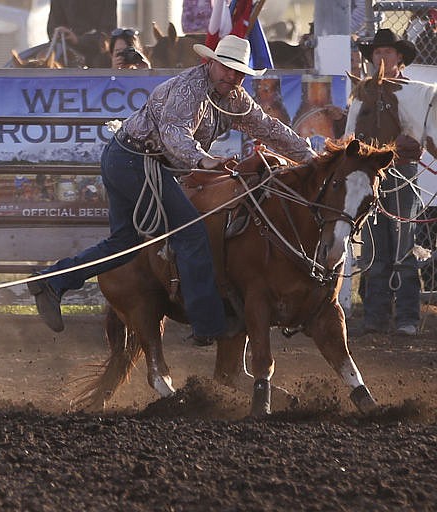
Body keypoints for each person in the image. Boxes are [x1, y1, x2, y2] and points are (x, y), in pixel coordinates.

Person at [27, 35, 316, 343]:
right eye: (227, 69)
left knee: (125, 244)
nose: (232, 76)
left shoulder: (235, 99)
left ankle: (52, 281)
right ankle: (208, 326)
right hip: (135, 161)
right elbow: (173, 133)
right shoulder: (188, 89)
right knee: (191, 231)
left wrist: (310, 157)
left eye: (239, 72)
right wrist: (203, 161)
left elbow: (269, 129)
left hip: (133, 161)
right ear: (212, 63)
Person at [352, 29, 423, 336]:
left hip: (402, 172)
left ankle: (407, 316)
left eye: (387, 53)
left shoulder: (411, 91)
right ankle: (376, 315)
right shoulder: (364, 91)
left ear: (400, 58)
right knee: (373, 246)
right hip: (372, 173)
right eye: (377, 53)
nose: (381, 57)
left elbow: (420, 132)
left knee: (403, 246)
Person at [47, 0, 116, 69]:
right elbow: (53, 28)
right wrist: (61, 34)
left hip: (96, 55)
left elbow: (107, 33)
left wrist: (78, 40)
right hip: (66, 52)